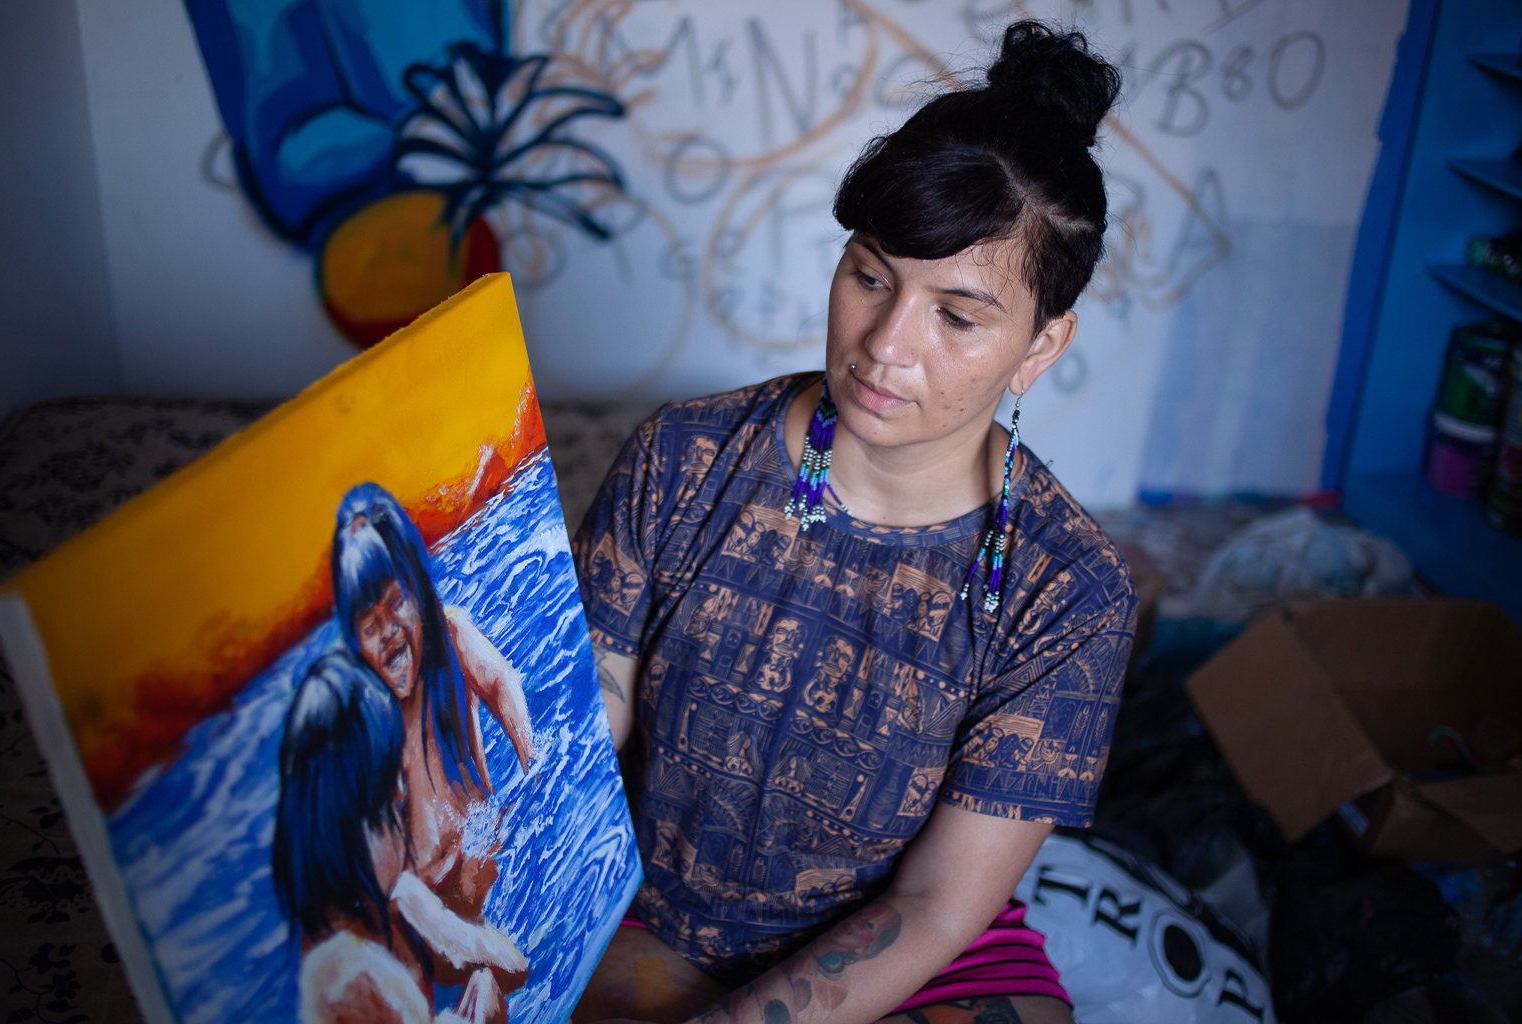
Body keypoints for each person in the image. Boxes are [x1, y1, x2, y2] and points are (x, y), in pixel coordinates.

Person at [570, 21, 1134, 1024]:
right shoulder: (684, 459)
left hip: (916, 947)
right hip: (657, 910)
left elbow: (935, 906)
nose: (885, 345)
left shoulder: (1068, 590)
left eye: (957, 317)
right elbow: (580, 734)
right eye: (871, 275)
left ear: (1041, 346)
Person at [273, 650, 529, 1024]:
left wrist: (441, 928)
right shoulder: (349, 971)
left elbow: (515, 966)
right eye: (384, 806)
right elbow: (503, 970)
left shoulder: (395, 896)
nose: (400, 798)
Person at [333, 482, 536, 922]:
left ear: (419, 594)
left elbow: (502, 682)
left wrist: (531, 765)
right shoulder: (365, 714)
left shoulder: (451, 637)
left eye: (396, 603)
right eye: (369, 624)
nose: (388, 632)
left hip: (483, 849)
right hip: (428, 902)